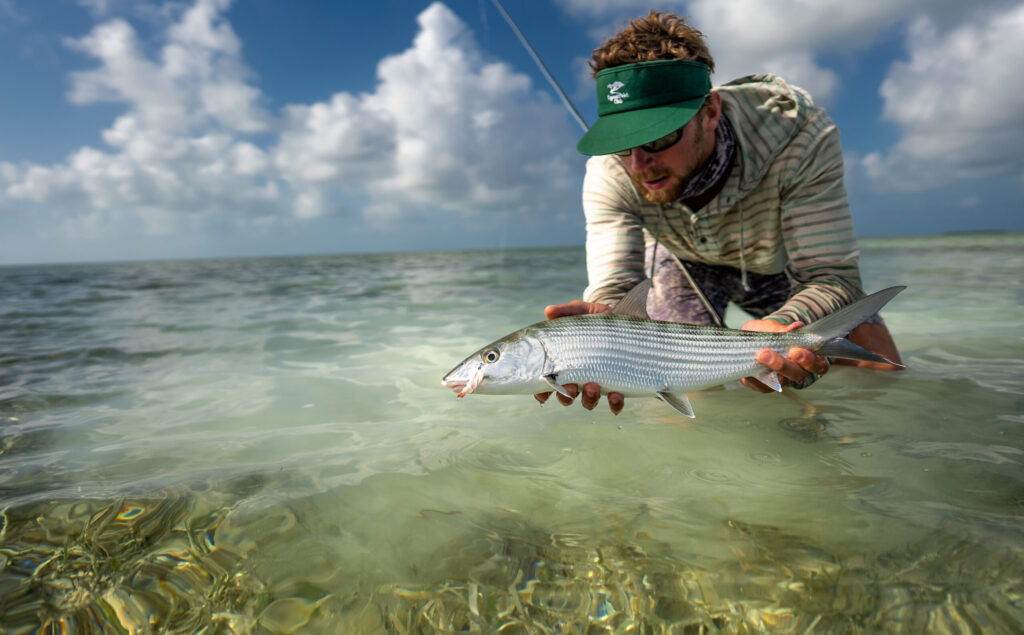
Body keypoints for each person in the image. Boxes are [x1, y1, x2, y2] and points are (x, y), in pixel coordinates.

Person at [535, 11, 901, 415]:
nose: (638, 165)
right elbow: (616, 288)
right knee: (684, 390)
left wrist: (788, 326)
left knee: (877, 367)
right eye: (623, 143)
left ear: (710, 112)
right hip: (682, 265)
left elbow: (832, 276)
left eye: (658, 138)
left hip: (777, 263)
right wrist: (603, 334)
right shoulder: (609, 171)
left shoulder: (800, 133)